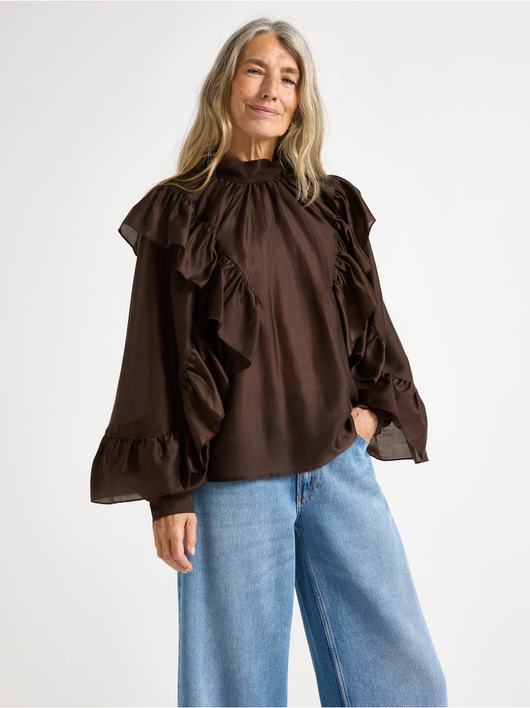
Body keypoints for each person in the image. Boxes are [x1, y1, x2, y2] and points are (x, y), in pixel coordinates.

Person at [90, 18, 448, 708]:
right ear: (226, 84)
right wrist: (169, 493)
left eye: (288, 78)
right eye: (256, 70)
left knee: (406, 684)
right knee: (236, 694)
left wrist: (368, 420)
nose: (271, 90)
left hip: (336, 469)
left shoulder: (331, 204)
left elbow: (370, 323)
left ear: (300, 100)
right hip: (232, 485)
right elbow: (153, 352)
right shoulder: (179, 209)